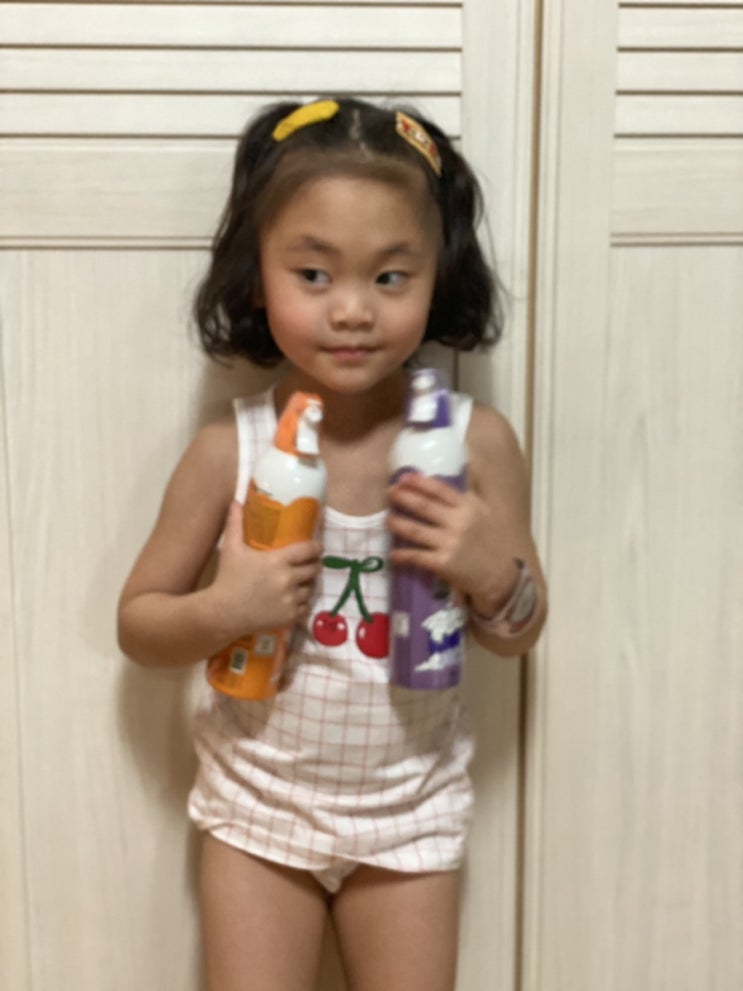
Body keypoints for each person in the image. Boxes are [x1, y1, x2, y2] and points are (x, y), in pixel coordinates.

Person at [117, 96, 547, 991]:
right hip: (259, 811)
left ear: (438, 278)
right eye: (313, 274)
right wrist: (227, 607)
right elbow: (140, 624)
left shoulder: (475, 443)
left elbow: (520, 631)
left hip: (410, 812)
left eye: (389, 277)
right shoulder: (228, 451)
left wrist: (488, 573)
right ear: (256, 277)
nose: (352, 310)